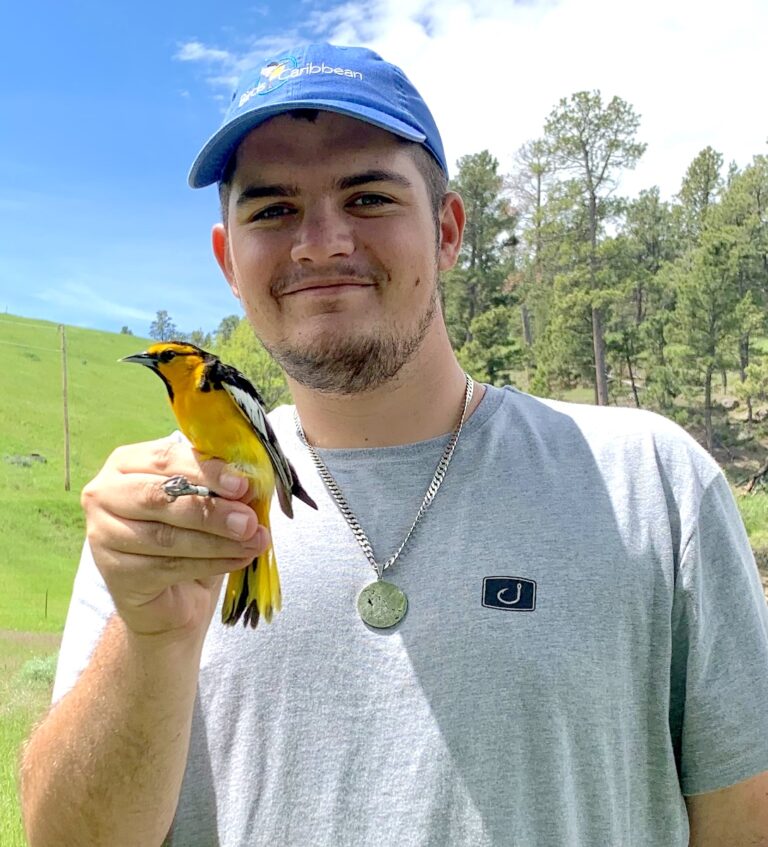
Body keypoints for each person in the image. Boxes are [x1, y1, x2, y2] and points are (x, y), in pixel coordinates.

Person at [19, 42, 768, 847]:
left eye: (369, 197)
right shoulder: (157, 517)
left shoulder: (653, 483)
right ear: (228, 260)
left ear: (447, 231)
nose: (320, 242)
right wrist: (149, 640)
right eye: (271, 210)